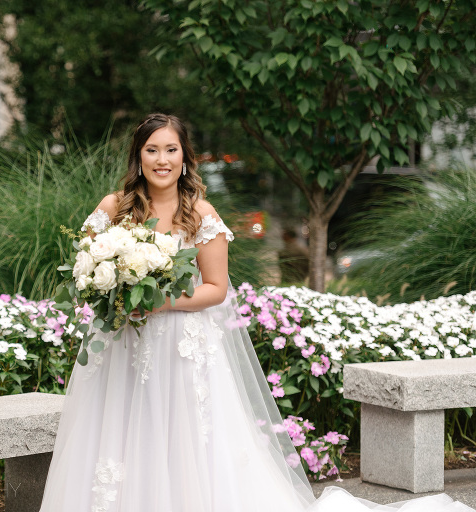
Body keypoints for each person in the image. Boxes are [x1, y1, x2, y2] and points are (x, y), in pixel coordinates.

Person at [39, 113, 473, 512]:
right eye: (151, 150)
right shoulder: (113, 208)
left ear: (185, 158)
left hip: (180, 349)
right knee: (117, 432)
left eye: (171, 150)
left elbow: (216, 289)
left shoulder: (200, 214)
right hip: (121, 345)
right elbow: (86, 270)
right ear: (138, 158)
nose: (162, 159)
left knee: (183, 441)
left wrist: (158, 303)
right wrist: (110, 294)